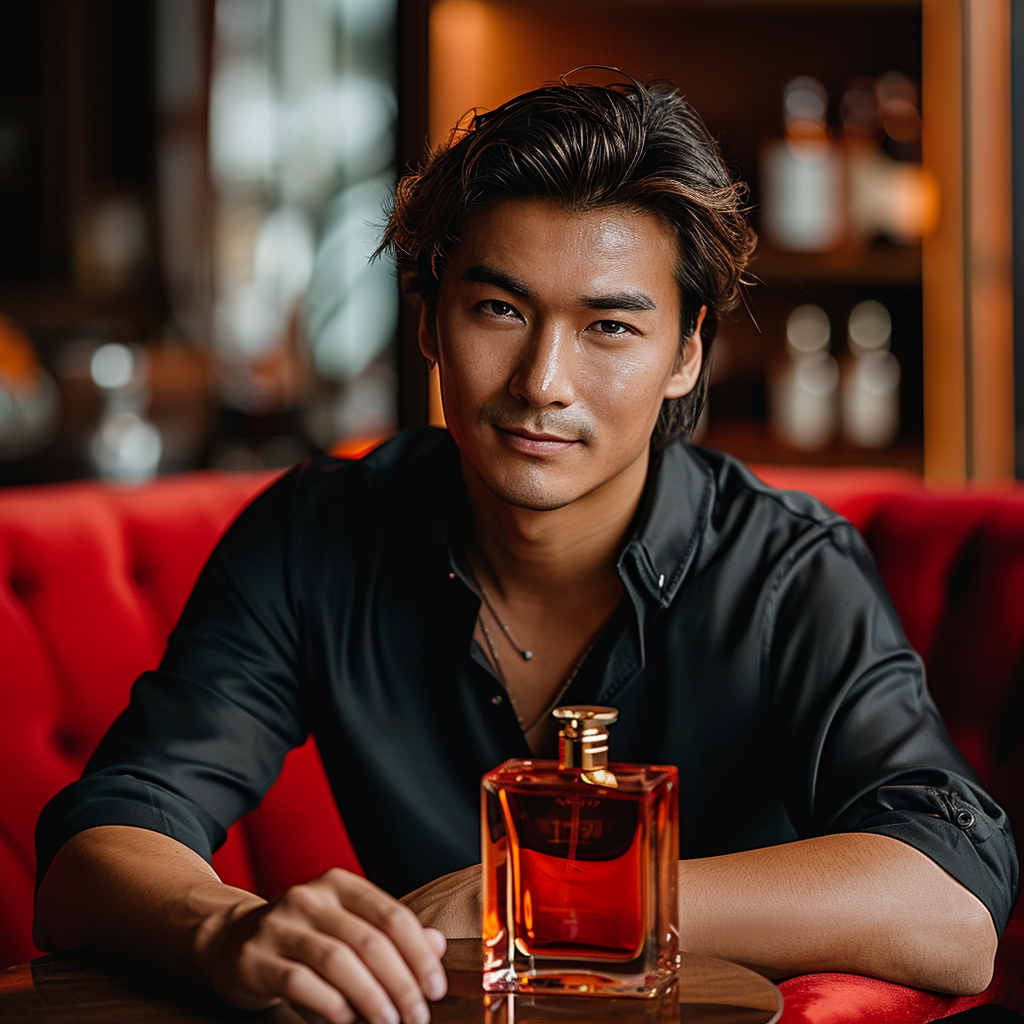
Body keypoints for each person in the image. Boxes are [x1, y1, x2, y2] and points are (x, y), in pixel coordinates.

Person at [34, 78, 1017, 1024]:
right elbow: (99, 848)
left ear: (684, 355)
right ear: (427, 317)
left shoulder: (784, 569)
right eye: (499, 309)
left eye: (608, 326)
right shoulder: (318, 533)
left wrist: (524, 896)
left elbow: (948, 908)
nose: (543, 380)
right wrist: (225, 931)